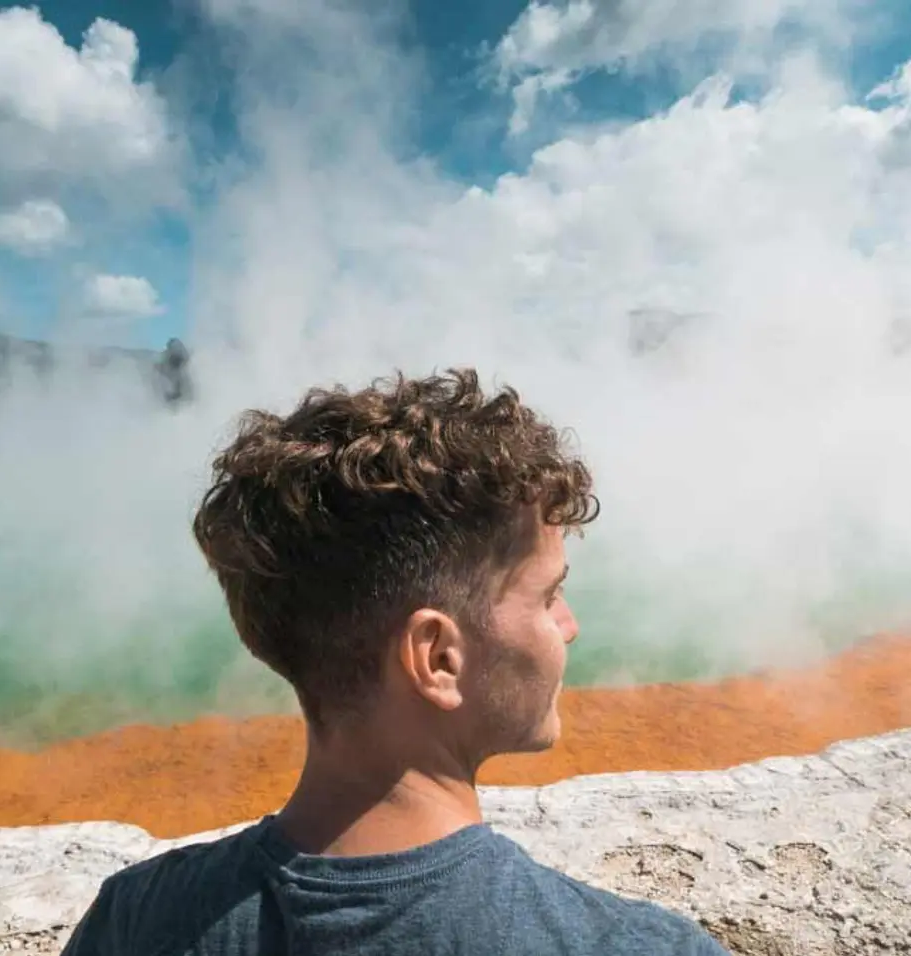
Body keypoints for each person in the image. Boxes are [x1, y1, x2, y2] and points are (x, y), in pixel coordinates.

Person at [61, 368, 730, 955]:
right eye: (550, 595)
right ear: (437, 658)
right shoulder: (636, 945)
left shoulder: (135, 919)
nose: (570, 627)